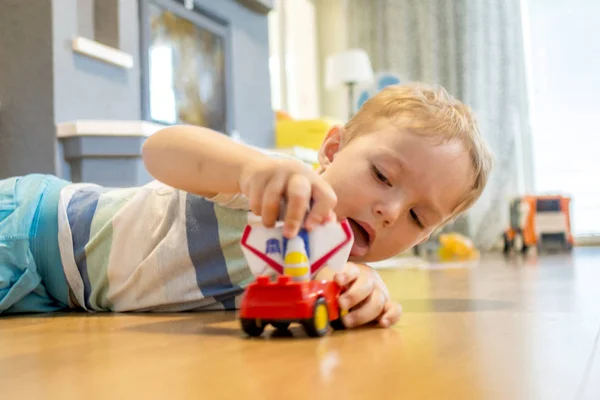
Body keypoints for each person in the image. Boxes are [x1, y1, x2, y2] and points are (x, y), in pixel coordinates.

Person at [0, 83, 493, 330]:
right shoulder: (277, 184)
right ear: (332, 149)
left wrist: (365, 294)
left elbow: (336, 296)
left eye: (416, 217)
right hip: (34, 226)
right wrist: (249, 168)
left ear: (426, 237)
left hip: (59, 298)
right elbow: (160, 150)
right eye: (383, 176)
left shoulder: (336, 269)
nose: (389, 209)